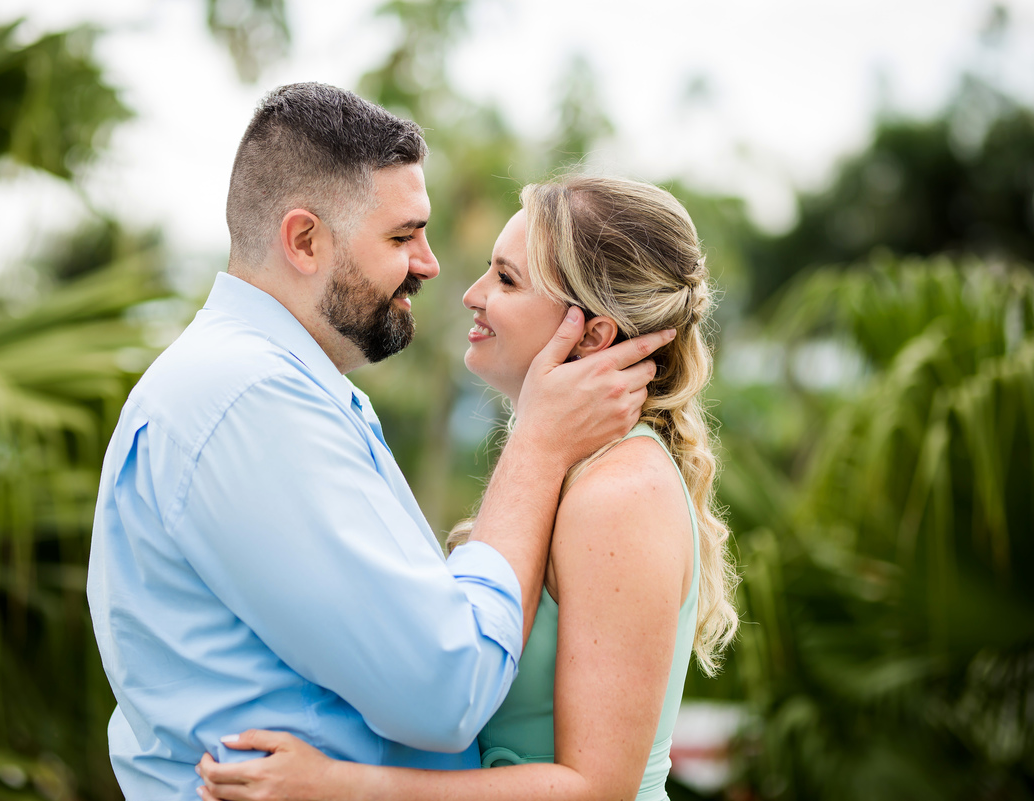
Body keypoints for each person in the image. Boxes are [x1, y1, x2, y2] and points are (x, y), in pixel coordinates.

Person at [87, 84, 672, 798]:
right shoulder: (253, 400)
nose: (433, 267)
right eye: (402, 236)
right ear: (304, 240)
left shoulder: (275, 389)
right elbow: (446, 685)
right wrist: (539, 445)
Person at [195, 175, 740, 801]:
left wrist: (334, 786)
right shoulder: (567, 472)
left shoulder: (620, 491)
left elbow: (596, 790)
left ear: (590, 335)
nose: (472, 296)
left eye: (506, 280)